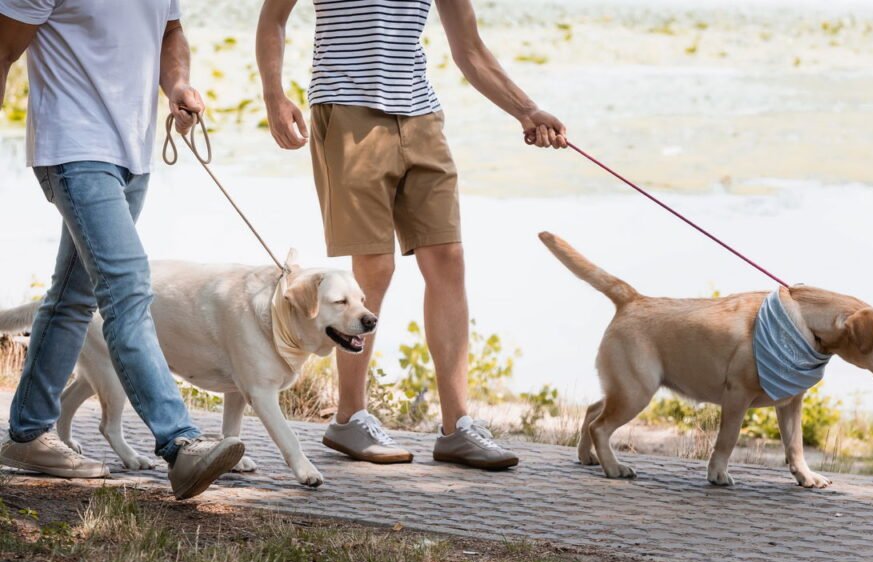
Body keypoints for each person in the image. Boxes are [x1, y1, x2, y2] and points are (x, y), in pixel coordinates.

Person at [257, 0, 567, 469]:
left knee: (448, 259)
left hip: (422, 119)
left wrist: (527, 110)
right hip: (347, 114)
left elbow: (470, 49)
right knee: (374, 268)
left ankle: (457, 426)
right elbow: (273, 19)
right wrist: (274, 95)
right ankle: (350, 418)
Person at [0, 0, 244, 500]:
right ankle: (180, 444)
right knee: (128, 289)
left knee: (74, 295)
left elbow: (170, 30)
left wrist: (176, 84)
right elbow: (3, 48)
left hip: (133, 152)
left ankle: (27, 433)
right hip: (72, 147)